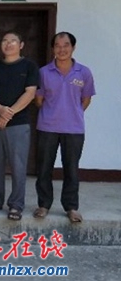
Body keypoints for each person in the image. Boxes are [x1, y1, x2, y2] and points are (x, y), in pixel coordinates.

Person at [34, 32, 95, 223]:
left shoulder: (84, 72)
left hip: (74, 128)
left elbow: (86, 100)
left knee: (71, 169)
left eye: (66, 45)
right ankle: (44, 204)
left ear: (73, 47)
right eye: (58, 46)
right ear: (53, 48)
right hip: (47, 127)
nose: (62, 49)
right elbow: (38, 100)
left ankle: (71, 207)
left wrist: (71, 113)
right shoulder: (43, 72)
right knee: (44, 168)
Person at [0, 32, 39, 221]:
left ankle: (16, 204)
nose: (8, 44)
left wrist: (8, 113)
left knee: (18, 165)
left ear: (21, 45)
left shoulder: (29, 66)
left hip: (18, 124)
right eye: (5, 40)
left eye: (13, 41)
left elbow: (30, 93)